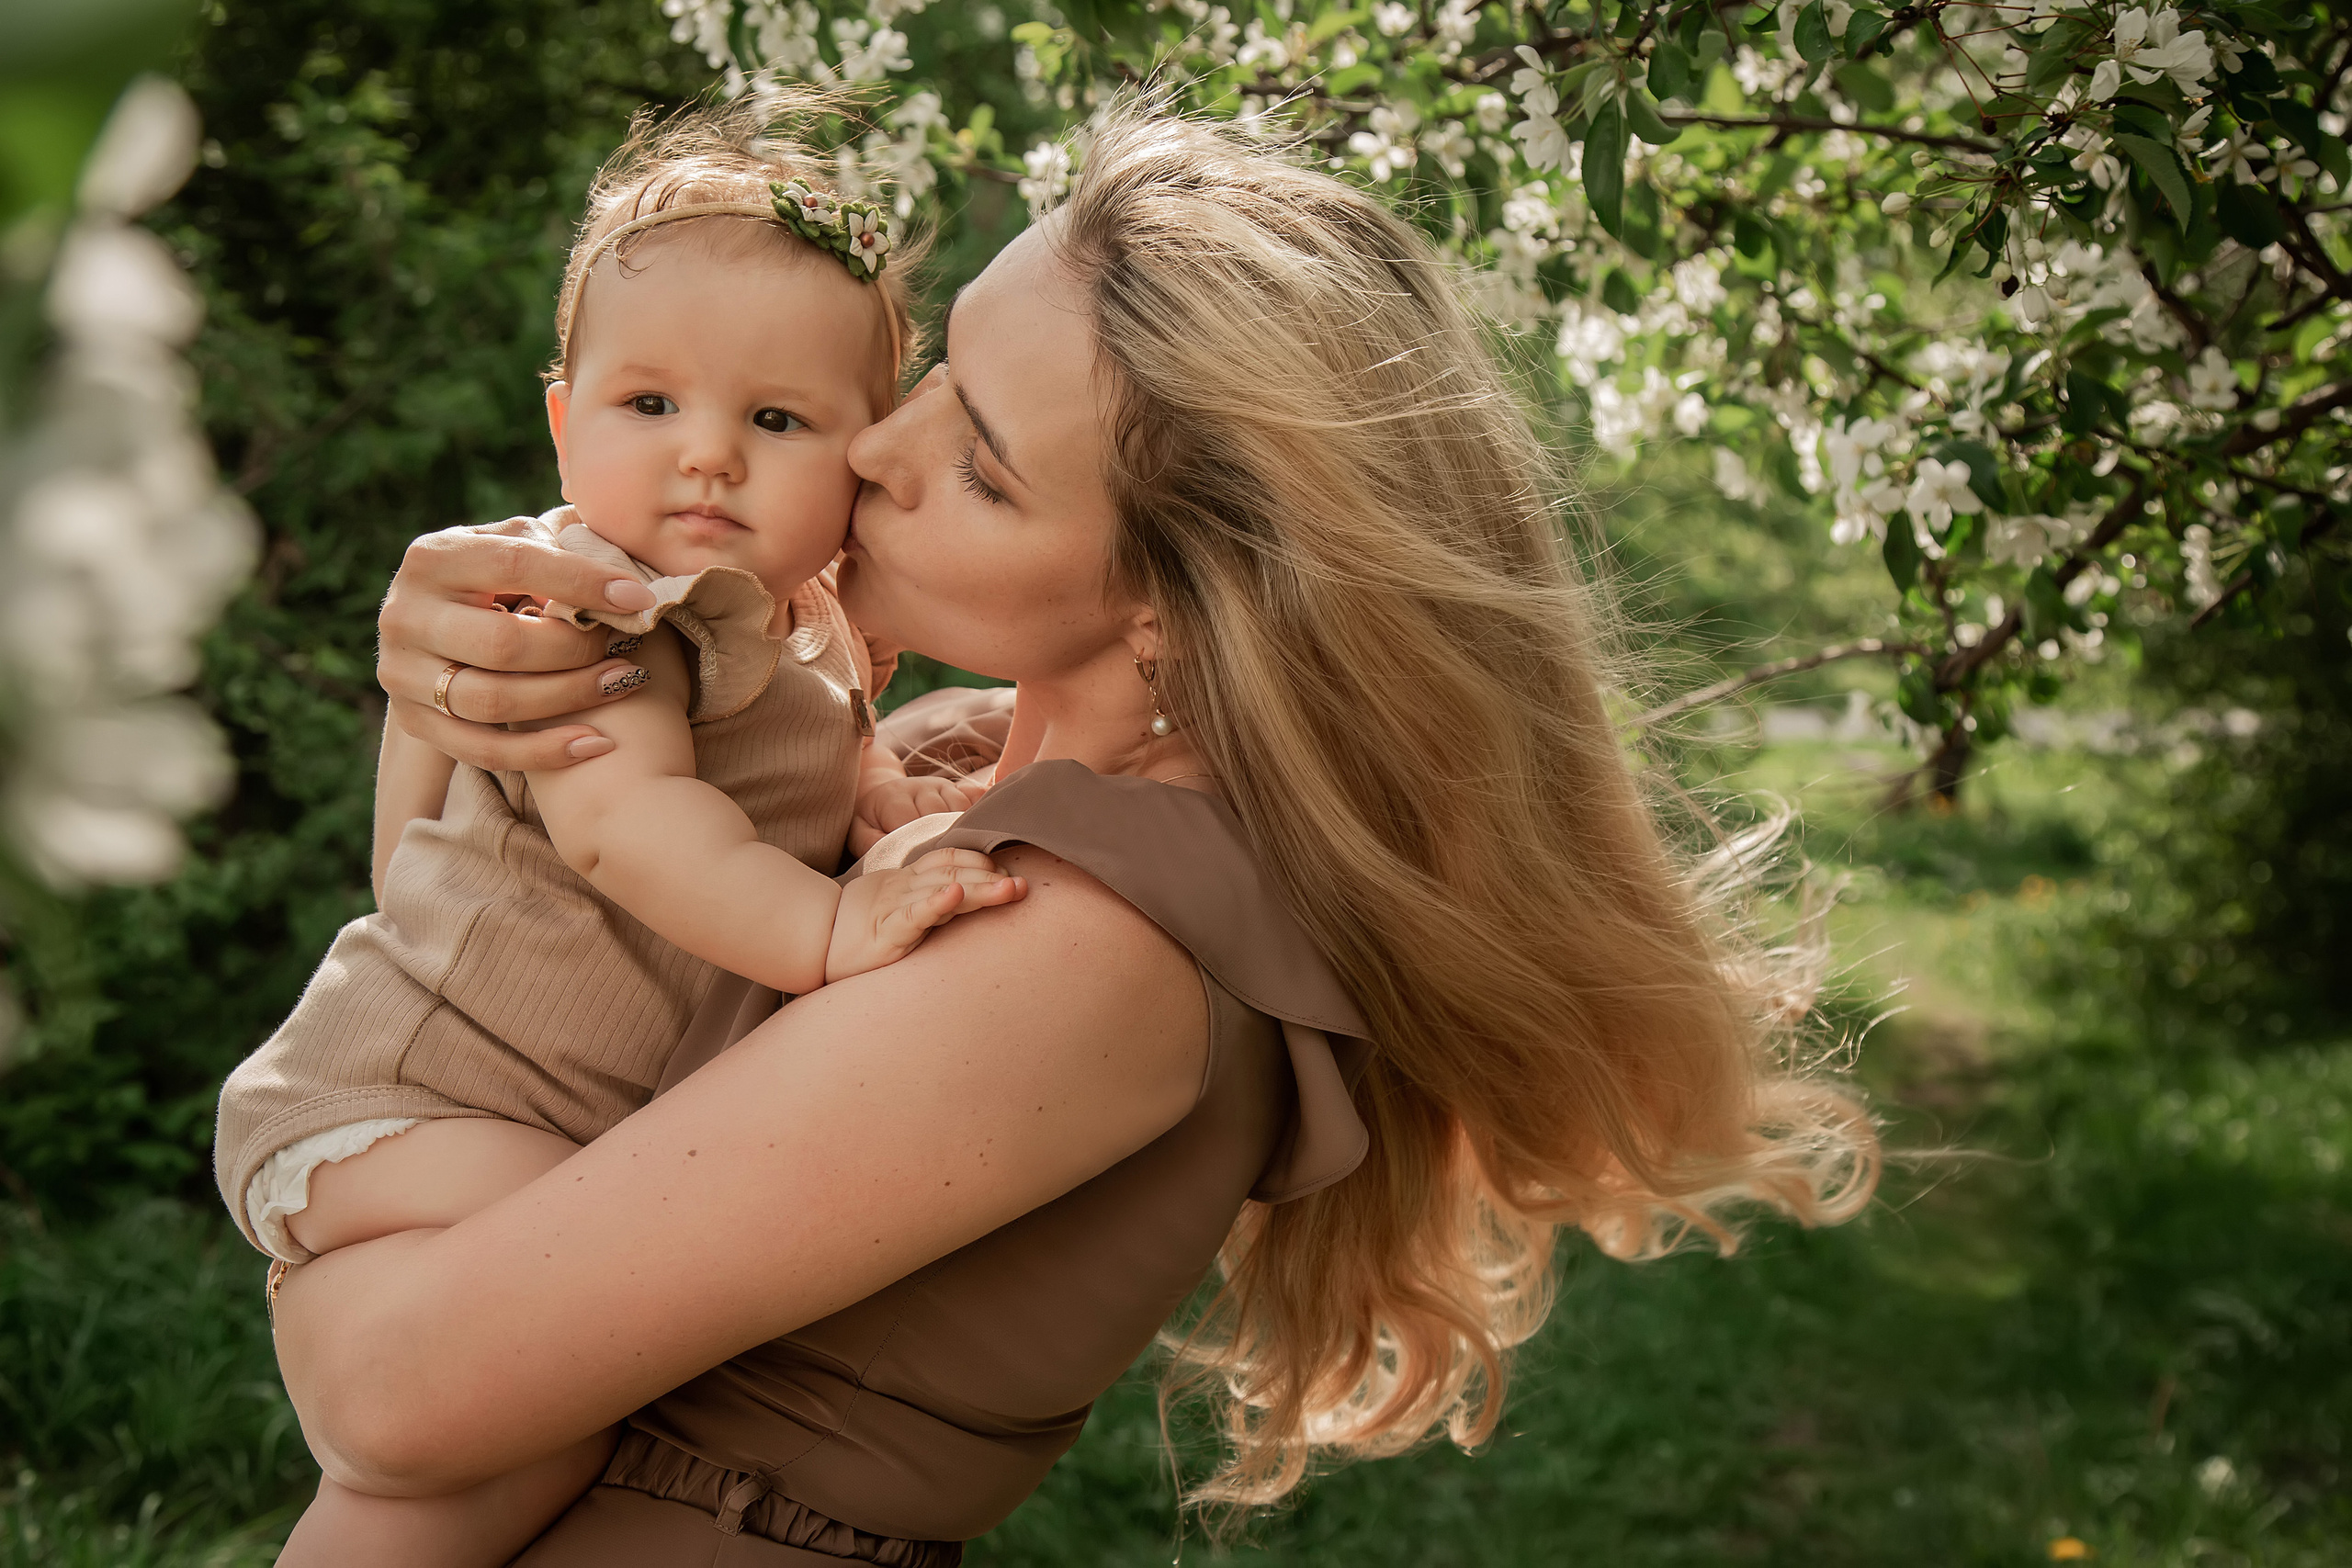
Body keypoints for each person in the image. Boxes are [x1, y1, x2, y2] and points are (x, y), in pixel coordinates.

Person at [267, 107, 1878, 1563]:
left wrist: (309, 1255)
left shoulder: (1083, 947)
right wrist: (465, 677)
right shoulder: (957, 782)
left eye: (978, 462)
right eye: (940, 371)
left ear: (1178, 615)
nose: (875, 448)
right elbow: (501, 923)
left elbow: (392, 1401)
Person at [216, 100, 1026, 1566]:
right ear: (561, 421)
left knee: (502, 1469)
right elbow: (633, 826)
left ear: (858, 457)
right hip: (420, 1103)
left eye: (775, 422)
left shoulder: (793, 640)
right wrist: (832, 927)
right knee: (601, 1315)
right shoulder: (607, 607)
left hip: (510, 1111)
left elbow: (791, 776)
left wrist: (879, 803)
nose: (707, 460)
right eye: (650, 406)